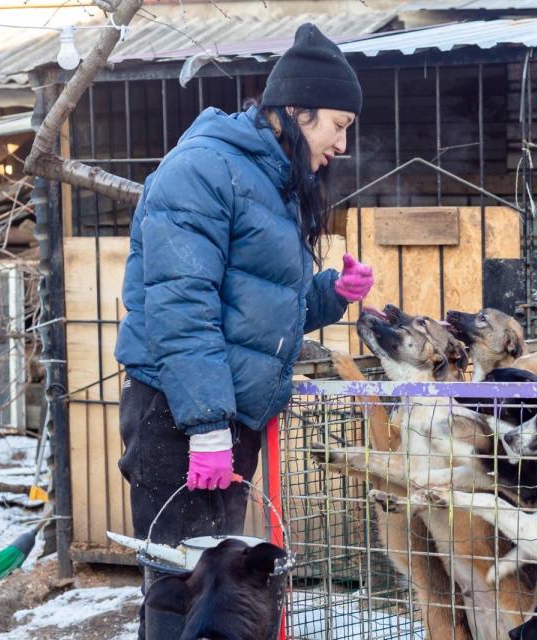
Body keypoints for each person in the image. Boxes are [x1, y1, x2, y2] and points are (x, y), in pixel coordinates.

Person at [114, 23, 372, 558]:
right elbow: (181, 307)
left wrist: (331, 293)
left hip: (224, 414)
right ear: (299, 111)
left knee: (212, 585)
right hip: (178, 414)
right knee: (181, 585)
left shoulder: (272, 180)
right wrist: (206, 427)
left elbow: (255, 314)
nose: (343, 145)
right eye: (338, 125)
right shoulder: (203, 171)